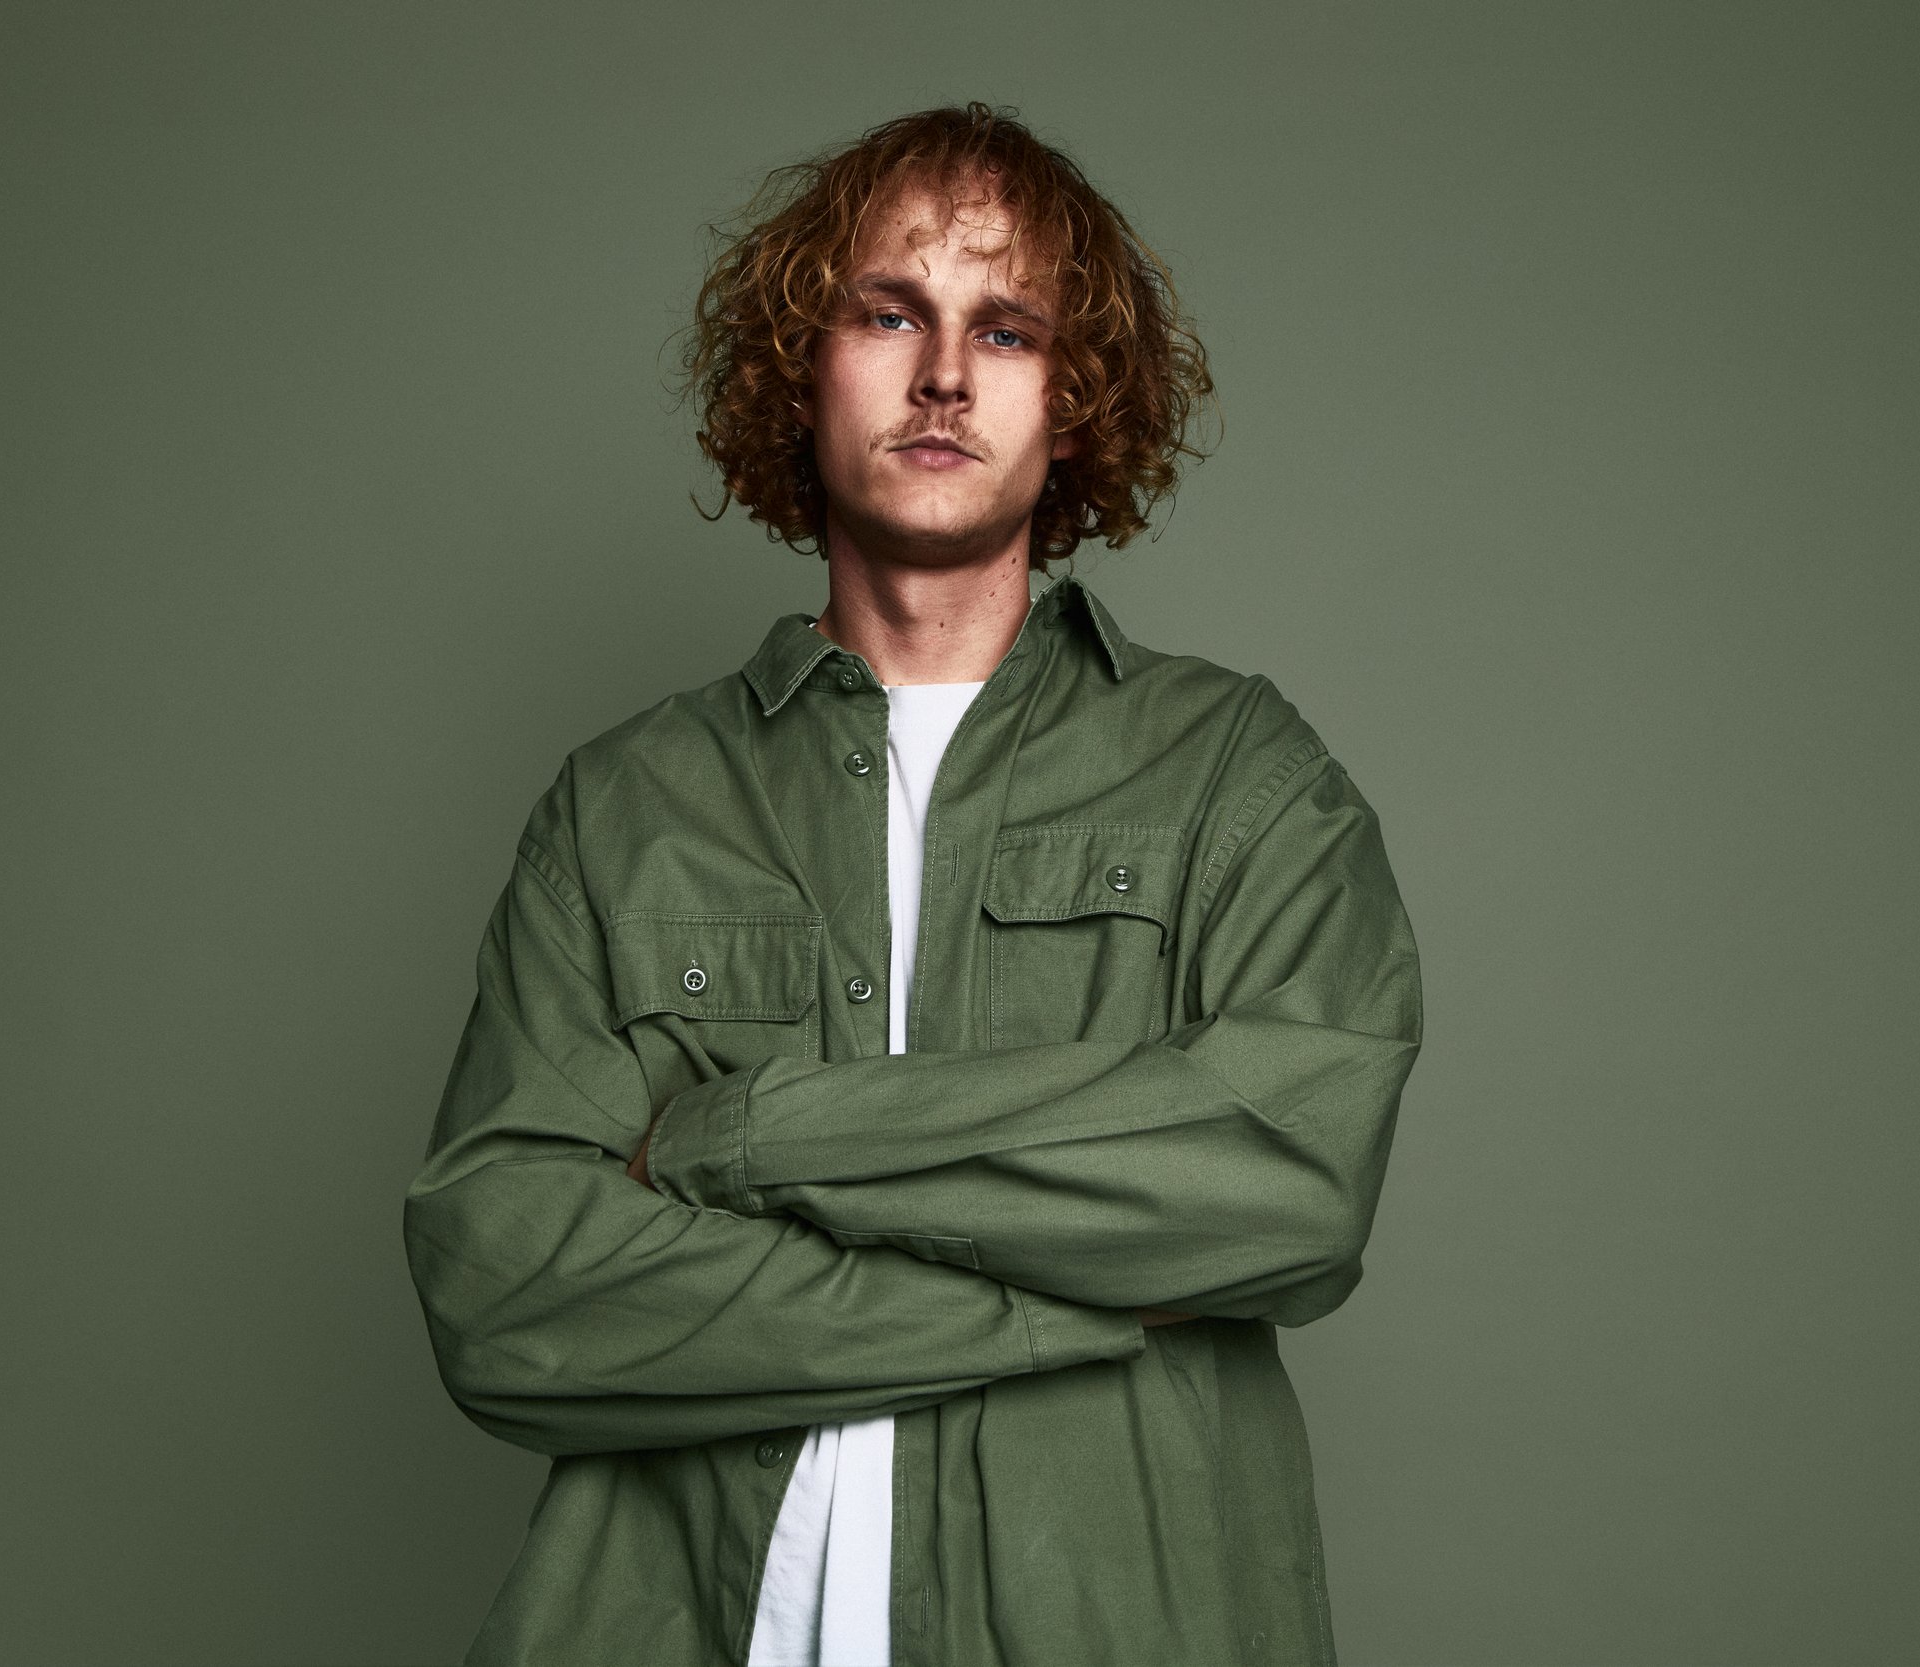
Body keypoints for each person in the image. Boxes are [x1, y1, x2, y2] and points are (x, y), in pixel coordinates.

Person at [404, 103, 1421, 1667]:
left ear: (1074, 406)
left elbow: (1287, 1176)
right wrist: (1069, 1307)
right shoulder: (624, 809)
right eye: (891, 312)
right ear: (800, 368)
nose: (945, 374)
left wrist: (738, 1135)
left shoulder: (1237, 778)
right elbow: (508, 1280)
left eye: (1006, 330)